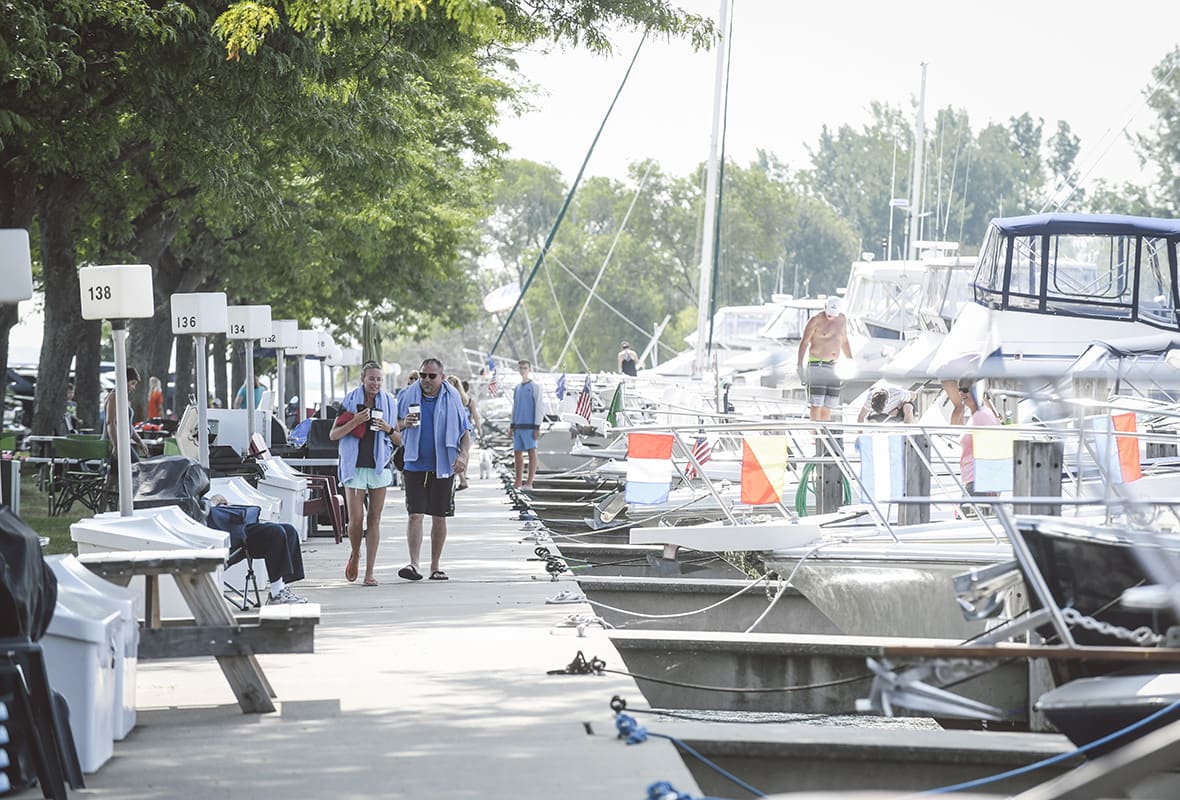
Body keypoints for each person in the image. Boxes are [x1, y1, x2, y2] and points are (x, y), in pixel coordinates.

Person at [395, 357, 472, 582]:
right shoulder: (406, 396)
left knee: (439, 517)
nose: (426, 380)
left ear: (442, 377)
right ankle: (414, 564)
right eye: (423, 375)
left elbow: (464, 433)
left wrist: (463, 455)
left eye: (431, 376)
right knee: (415, 514)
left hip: (443, 465)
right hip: (414, 462)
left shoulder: (453, 399)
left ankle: (435, 567)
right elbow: (392, 426)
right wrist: (403, 424)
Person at [330, 360, 399, 587]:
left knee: (375, 519)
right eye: (371, 378)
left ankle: (370, 572)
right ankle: (355, 552)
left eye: (379, 379)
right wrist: (356, 421)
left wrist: (387, 428)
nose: (375, 383)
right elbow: (334, 435)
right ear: (363, 379)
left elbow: (399, 439)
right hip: (354, 466)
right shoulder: (349, 402)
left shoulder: (389, 402)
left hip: (379, 466)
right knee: (356, 519)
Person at [207, 495, 308, 604]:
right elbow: (195, 512)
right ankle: (276, 594)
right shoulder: (188, 494)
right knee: (275, 532)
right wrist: (212, 502)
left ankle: (281, 588)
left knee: (289, 531)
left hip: (237, 530)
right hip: (226, 539)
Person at [796, 296, 853, 421]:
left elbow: (844, 342)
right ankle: (813, 437)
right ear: (825, 307)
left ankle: (823, 435)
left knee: (829, 405)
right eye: (829, 312)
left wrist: (850, 361)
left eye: (833, 314)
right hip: (817, 365)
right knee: (817, 404)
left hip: (834, 366)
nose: (830, 316)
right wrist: (799, 366)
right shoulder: (815, 320)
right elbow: (804, 342)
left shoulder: (842, 319)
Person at [959, 381, 999, 516]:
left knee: (967, 525)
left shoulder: (982, 416)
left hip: (979, 481)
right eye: (959, 390)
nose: (961, 393)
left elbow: (992, 449)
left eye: (965, 389)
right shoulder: (976, 415)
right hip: (972, 479)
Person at [510, 359, 544, 489]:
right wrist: (512, 425)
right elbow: (515, 406)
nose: (523, 370)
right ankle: (518, 481)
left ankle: (529, 482)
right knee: (517, 453)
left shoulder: (535, 387)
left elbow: (539, 407)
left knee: (531, 452)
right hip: (518, 425)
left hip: (530, 426)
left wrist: (537, 426)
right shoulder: (517, 388)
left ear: (529, 369)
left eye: (525, 368)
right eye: (521, 368)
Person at [103, 368, 149, 459]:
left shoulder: (122, 398)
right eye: (132, 383)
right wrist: (116, 445)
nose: (133, 387)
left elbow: (128, 424)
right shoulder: (114, 397)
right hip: (115, 443)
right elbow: (110, 422)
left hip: (123, 443)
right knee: (136, 466)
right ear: (124, 381)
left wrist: (139, 441)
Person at [447, 376, 474, 490]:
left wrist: (478, 428)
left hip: (464, 430)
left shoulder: (463, 400)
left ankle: (463, 478)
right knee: (456, 456)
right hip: (455, 430)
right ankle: (463, 477)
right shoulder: (448, 397)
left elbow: (475, 416)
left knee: (459, 455)